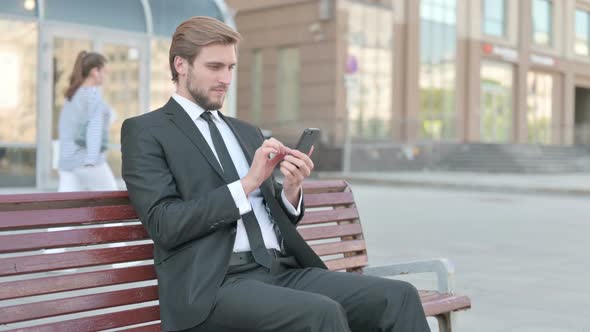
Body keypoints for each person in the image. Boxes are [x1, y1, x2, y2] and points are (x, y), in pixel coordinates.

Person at [121, 16, 430, 332]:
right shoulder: (146, 131)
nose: (226, 78)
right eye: (215, 67)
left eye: (231, 68)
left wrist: (291, 191)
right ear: (181, 65)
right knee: (321, 314)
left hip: (281, 270)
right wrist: (248, 183)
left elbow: (270, 217)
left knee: (399, 296)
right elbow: (164, 223)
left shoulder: (245, 132)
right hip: (214, 285)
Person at [57, 50, 117, 192]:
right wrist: (92, 160)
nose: (105, 76)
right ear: (95, 71)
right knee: (113, 203)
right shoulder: (92, 94)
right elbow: (94, 128)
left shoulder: (71, 96)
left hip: (67, 164)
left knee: (68, 210)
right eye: (104, 71)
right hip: (87, 162)